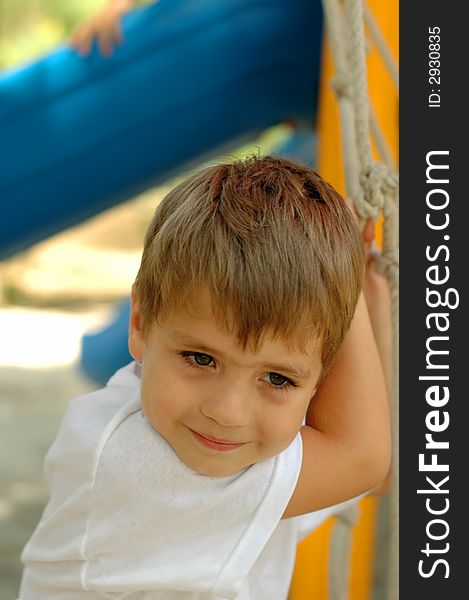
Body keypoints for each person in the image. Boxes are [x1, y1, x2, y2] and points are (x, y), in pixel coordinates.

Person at [19, 156, 391, 599]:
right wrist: (348, 300)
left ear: (322, 380)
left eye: (276, 379)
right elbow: (362, 458)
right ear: (139, 324)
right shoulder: (142, 461)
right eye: (200, 358)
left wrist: (363, 295)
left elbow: (373, 474)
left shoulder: (227, 457)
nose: (227, 412)